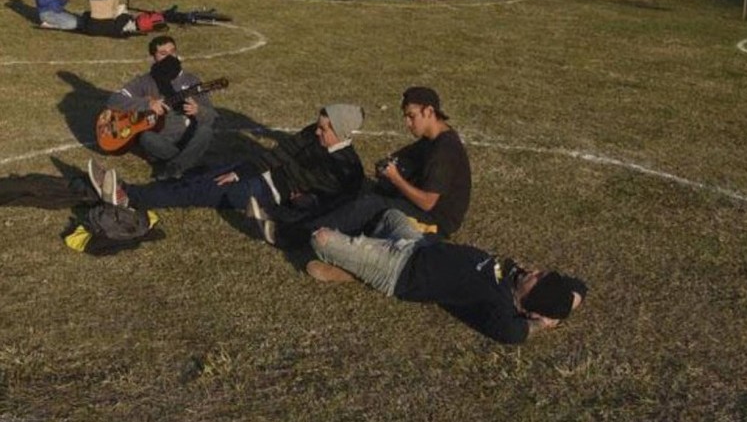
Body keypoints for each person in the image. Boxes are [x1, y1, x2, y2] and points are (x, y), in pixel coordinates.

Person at [306, 209, 587, 344]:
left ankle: (354, 267)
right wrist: (568, 302)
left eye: (538, 278)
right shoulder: (515, 278)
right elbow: (579, 287)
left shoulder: (498, 304)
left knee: (321, 239)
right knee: (391, 215)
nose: (534, 271)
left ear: (532, 299)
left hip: (398, 270)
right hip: (418, 244)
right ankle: (358, 262)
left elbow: (513, 334)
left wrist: (542, 323)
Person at [89, 104, 365, 237]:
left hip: (267, 192)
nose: (316, 131)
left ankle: (127, 196)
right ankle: (127, 194)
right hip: (256, 172)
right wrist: (244, 170)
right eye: (318, 125)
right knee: (198, 176)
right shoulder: (310, 134)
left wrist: (299, 203)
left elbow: (329, 206)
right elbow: (279, 153)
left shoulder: (347, 168)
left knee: (197, 189)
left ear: (341, 132)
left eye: (324, 128)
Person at [290, 86, 470, 243]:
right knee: (365, 194)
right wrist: (388, 165)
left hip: (435, 223)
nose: (407, 123)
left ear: (429, 112)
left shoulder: (444, 150)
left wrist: (396, 179)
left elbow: (428, 203)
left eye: (411, 116)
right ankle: (311, 216)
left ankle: (300, 234)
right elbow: (404, 155)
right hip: (420, 209)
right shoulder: (430, 140)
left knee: (372, 205)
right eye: (405, 116)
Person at [106, 36, 219, 180]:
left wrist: (199, 110)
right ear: (153, 57)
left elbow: (212, 117)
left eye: (172, 52)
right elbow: (114, 100)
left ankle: (175, 166)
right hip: (160, 140)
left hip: (188, 138)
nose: (170, 57)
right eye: (163, 54)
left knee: (205, 131)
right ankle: (187, 161)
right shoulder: (145, 81)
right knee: (145, 137)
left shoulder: (192, 81)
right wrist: (147, 104)